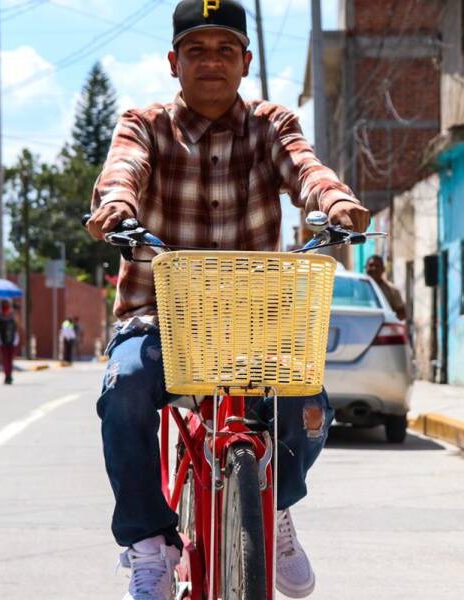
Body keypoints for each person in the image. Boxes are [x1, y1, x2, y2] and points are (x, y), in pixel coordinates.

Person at [85, 2, 370, 598]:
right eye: (196, 50)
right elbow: (122, 171)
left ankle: (276, 504)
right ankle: (149, 545)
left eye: (224, 50)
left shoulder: (271, 125)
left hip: (253, 321)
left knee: (310, 404)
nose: (210, 61)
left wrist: (336, 200)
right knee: (124, 388)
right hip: (159, 319)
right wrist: (115, 206)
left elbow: (306, 168)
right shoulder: (145, 124)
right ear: (174, 62)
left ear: (245, 61)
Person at [365, 255, 408, 321]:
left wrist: (389, 320)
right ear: (366, 268)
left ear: (383, 269)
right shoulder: (357, 287)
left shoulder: (392, 290)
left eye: (377, 266)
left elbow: (402, 313)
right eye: (371, 265)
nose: (374, 268)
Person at [0, 300, 19, 385]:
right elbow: (17, 326)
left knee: (7, 359)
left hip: (7, 340)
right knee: (7, 359)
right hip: (6, 340)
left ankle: (8, 375)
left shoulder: (0, 315)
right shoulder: (11, 315)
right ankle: (8, 375)